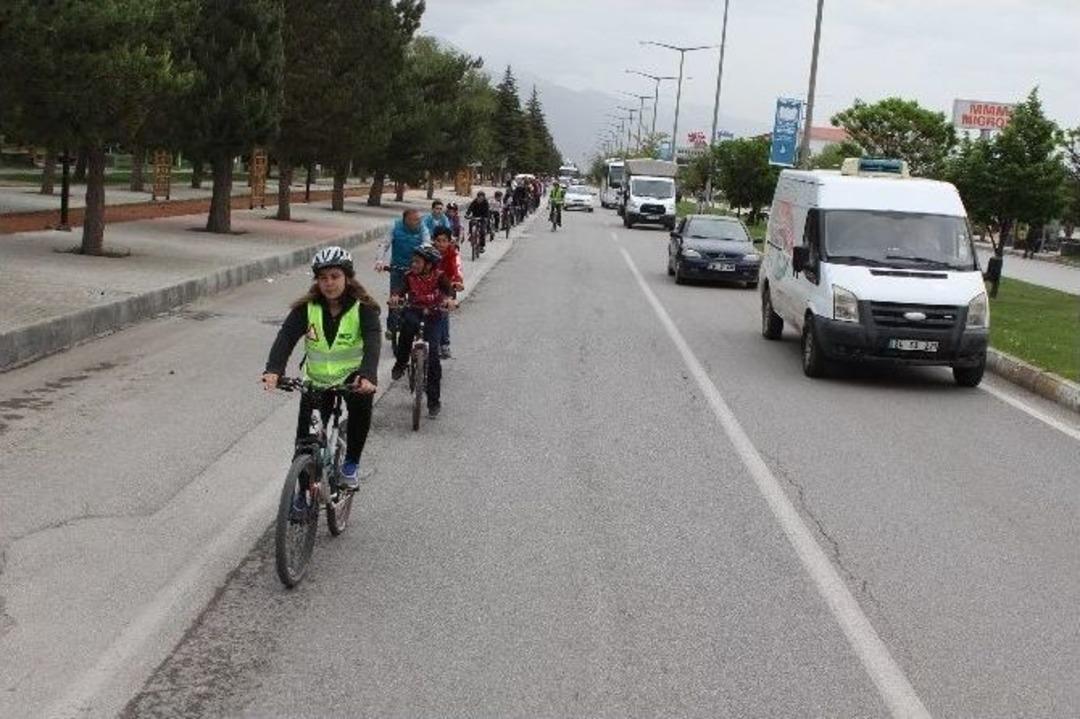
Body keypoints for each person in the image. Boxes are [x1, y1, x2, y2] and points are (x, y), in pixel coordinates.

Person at [262, 247, 381, 491]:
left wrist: (367, 375)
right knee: (305, 444)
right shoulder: (306, 308)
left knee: (361, 407)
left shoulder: (363, 308)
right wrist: (274, 369)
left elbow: (373, 340)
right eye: (323, 278)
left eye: (335, 276)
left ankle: (350, 465)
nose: (329, 283)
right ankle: (302, 495)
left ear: (347, 277)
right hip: (315, 380)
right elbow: (286, 337)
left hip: (352, 378)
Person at [390, 245, 457, 417]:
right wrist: (396, 297)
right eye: (413, 261)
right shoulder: (409, 277)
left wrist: (449, 300)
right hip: (414, 310)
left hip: (434, 315)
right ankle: (400, 363)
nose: (414, 264)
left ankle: (433, 401)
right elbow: (399, 290)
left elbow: (449, 292)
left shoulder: (440, 276)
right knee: (407, 330)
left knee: (433, 355)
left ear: (429, 265)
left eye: (418, 262)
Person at [375, 208, 429, 340]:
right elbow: (384, 244)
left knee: (416, 298)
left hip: (415, 270)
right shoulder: (395, 226)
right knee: (395, 297)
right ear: (405, 219)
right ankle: (391, 327)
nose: (417, 222)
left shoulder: (422, 228)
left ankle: (417, 325)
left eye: (418, 219)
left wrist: (425, 263)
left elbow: (427, 243)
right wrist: (380, 260)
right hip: (397, 268)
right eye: (414, 219)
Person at [432, 226, 464, 359]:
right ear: (434, 241)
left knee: (443, 314)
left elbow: (458, 269)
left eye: (444, 241)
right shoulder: (428, 252)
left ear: (449, 241)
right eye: (438, 241)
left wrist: (458, 282)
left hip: (447, 287)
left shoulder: (453, 254)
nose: (441, 244)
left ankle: (444, 343)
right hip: (429, 286)